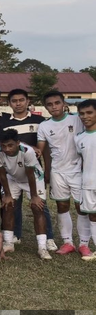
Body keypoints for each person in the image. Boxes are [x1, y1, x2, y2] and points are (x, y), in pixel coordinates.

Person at [0, 88, 56, 250]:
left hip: (32, 169)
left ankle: (49, 238)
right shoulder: (4, 123)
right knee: (13, 204)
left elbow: (45, 148)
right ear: (9, 103)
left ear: (27, 101)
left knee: (39, 204)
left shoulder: (39, 121)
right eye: (14, 101)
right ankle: (15, 235)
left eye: (21, 100)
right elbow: (3, 144)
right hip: (12, 171)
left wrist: (47, 170)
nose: (18, 104)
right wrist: (27, 146)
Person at [37, 90, 91, 256]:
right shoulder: (44, 126)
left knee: (81, 208)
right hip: (58, 171)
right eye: (50, 104)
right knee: (62, 206)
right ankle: (68, 242)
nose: (54, 107)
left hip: (78, 170)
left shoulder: (77, 119)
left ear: (64, 104)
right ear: (46, 107)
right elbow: (40, 149)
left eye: (57, 103)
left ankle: (84, 244)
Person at [0, 130, 51, 260]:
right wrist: (7, 195)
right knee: (8, 205)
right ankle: (8, 243)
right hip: (13, 178)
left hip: (33, 179)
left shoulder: (27, 151)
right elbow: (2, 174)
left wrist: (34, 196)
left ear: (18, 143)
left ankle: (42, 247)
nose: (7, 149)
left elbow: (30, 175)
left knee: (37, 207)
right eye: (3, 146)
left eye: (10, 145)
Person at [75, 100, 96, 261]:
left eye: (89, 113)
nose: (85, 116)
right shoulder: (79, 138)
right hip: (88, 183)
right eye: (82, 113)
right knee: (93, 216)